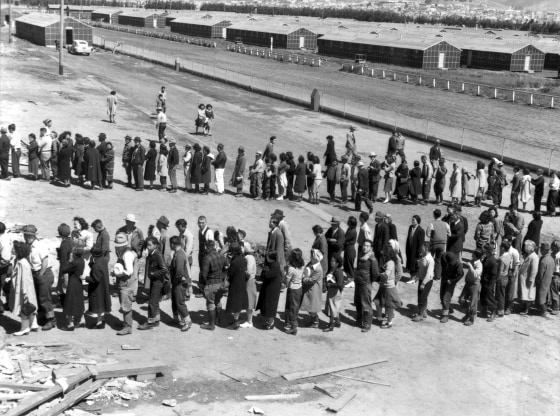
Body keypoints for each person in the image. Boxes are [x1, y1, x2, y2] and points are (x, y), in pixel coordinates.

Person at [23, 225, 56, 331]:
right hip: (35, 273)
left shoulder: (40, 246)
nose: (25, 237)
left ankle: (51, 320)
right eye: (25, 235)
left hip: (44, 273)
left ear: (31, 236)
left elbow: (45, 261)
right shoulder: (28, 245)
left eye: (27, 235)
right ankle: (42, 316)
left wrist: (40, 275)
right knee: (37, 296)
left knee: (45, 298)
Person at [9, 241, 38, 336]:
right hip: (25, 288)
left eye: (14, 249)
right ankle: (33, 324)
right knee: (30, 306)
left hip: (23, 289)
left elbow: (25, 278)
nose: (12, 250)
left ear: (18, 251)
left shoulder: (22, 263)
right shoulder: (21, 261)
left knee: (24, 307)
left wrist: (24, 292)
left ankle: (24, 328)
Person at [139, 237, 168, 330]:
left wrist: (154, 274)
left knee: (152, 301)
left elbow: (164, 269)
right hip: (154, 280)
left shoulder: (157, 254)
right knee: (155, 301)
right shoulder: (152, 253)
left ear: (155, 245)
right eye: (147, 245)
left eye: (150, 245)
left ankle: (150, 322)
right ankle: (156, 320)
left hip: (157, 281)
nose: (148, 246)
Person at [116, 214, 144, 302]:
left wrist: (138, 252)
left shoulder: (138, 231)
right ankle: (120, 289)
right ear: (126, 221)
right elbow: (116, 242)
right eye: (129, 222)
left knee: (134, 274)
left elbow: (142, 242)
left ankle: (133, 293)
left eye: (132, 222)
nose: (130, 224)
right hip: (122, 253)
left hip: (134, 253)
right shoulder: (120, 230)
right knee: (120, 270)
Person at [60, 245, 85, 331]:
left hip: (72, 284)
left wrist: (69, 261)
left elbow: (64, 269)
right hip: (78, 283)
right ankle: (81, 320)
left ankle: (70, 324)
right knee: (79, 302)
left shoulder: (74, 263)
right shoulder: (82, 261)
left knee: (69, 304)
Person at [169, 236, 192, 331]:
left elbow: (179, 271)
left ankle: (187, 321)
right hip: (177, 282)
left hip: (180, 283)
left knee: (179, 303)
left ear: (173, 244)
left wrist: (175, 280)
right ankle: (178, 319)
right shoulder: (178, 253)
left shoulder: (179, 255)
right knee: (175, 301)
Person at [355, 240, 379, 332]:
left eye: (367, 246)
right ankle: (359, 320)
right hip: (358, 282)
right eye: (364, 245)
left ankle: (367, 324)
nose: (365, 247)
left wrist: (368, 281)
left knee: (366, 305)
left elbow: (375, 274)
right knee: (357, 302)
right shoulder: (361, 254)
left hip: (365, 283)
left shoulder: (372, 259)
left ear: (371, 248)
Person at [376, 246, 402, 328]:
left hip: (389, 288)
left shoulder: (390, 263)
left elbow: (386, 275)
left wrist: (377, 273)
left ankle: (389, 323)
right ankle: (380, 317)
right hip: (384, 286)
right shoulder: (389, 262)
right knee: (378, 301)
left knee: (389, 305)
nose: (382, 254)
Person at [256, 251, 282, 330]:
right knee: (269, 305)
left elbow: (266, 275)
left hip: (272, 290)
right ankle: (270, 322)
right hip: (270, 288)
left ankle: (271, 323)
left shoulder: (274, 266)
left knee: (270, 306)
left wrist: (264, 269)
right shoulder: (273, 264)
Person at [224, 244, 248, 330]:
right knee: (238, 303)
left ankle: (235, 323)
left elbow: (230, 274)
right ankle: (235, 320)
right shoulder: (242, 259)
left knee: (235, 304)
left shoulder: (234, 262)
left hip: (235, 285)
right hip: (241, 283)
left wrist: (227, 269)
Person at [300, 249, 324, 329]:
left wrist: (303, 278)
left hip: (314, 290)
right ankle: (313, 321)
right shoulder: (311, 264)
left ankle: (315, 322)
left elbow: (312, 280)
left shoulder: (318, 269)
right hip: (310, 290)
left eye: (312, 257)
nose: (311, 258)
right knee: (310, 307)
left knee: (312, 308)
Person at [439, 250, 463, 323]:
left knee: (445, 298)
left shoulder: (458, 264)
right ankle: (448, 308)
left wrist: (452, 281)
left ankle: (445, 316)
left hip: (451, 281)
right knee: (441, 296)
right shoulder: (443, 257)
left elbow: (460, 275)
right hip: (444, 279)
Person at [412, 243, 434, 322]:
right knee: (422, 296)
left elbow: (428, 274)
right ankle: (423, 311)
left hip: (427, 281)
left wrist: (423, 283)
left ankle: (420, 315)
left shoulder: (430, 260)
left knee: (422, 297)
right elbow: (420, 268)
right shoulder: (423, 257)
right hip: (422, 279)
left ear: (426, 248)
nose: (421, 249)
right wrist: (417, 277)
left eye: (422, 248)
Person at [461, 249, 483, 326]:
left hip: (474, 284)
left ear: (476, 256)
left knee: (473, 303)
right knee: (462, 299)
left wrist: (470, 266)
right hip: (468, 283)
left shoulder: (479, 265)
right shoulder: (472, 261)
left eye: (473, 254)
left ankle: (471, 319)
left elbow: (475, 275)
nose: (472, 255)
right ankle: (468, 313)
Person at [284, 248, 304, 335]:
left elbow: (287, 281)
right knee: (295, 307)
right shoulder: (302, 266)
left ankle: (293, 327)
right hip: (299, 287)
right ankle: (290, 323)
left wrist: (285, 282)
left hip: (292, 289)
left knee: (291, 307)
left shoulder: (291, 269)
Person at [426, 209, 450, 280]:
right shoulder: (445, 224)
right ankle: (437, 276)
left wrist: (432, 236)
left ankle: (428, 273)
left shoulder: (432, 224)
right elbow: (449, 233)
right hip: (442, 244)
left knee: (430, 258)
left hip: (434, 243)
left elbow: (427, 234)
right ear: (440, 215)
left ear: (434, 215)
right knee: (439, 260)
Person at [324, 253, 344, 332]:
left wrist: (330, 284)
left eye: (333, 261)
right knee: (334, 307)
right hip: (332, 292)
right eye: (331, 261)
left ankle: (331, 325)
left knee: (332, 308)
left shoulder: (338, 271)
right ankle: (338, 321)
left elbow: (340, 283)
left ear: (337, 263)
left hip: (336, 293)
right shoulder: (332, 269)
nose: (331, 262)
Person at [518, 240, 539, 315]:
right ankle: (524, 307)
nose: (524, 247)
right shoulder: (529, 255)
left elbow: (534, 270)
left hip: (528, 279)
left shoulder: (534, 257)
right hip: (525, 278)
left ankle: (526, 309)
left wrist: (531, 279)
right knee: (525, 294)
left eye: (525, 246)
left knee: (529, 295)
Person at [480, 242, 499, 322]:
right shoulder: (485, 258)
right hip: (484, 281)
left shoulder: (493, 261)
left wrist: (490, 285)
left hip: (489, 282)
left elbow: (494, 275)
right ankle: (484, 310)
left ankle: (493, 312)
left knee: (489, 297)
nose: (483, 252)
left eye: (484, 250)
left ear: (488, 251)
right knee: (483, 295)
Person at [535, 242, 555, 317]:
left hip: (543, 280)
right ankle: (542, 309)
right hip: (549, 279)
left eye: (541, 249)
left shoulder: (543, 261)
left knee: (541, 296)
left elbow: (540, 273)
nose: (540, 251)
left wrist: (537, 281)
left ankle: (544, 311)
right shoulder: (551, 259)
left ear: (544, 250)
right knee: (546, 295)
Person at [496, 240, 513, 318]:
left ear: (503, 248)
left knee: (500, 295)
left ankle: (500, 310)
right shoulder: (509, 256)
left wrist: (497, 279)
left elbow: (500, 270)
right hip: (506, 277)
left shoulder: (502, 258)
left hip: (501, 278)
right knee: (503, 294)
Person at [405, 215, 425, 281]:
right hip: (410, 248)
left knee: (414, 264)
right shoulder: (411, 227)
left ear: (418, 221)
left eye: (414, 220)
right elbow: (408, 238)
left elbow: (421, 242)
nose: (412, 221)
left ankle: (413, 278)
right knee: (410, 263)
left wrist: (420, 252)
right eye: (412, 219)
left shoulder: (420, 230)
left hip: (416, 250)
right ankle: (412, 277)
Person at [343, 216, 358, 284]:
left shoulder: (352, 231)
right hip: (347, 248)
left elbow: (345, 239)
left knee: (349, 264)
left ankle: (351, 277)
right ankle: (349, 276)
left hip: (350, 249)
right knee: (346, 263)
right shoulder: (350, 229)